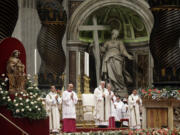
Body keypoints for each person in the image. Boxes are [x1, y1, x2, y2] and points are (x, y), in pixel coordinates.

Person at [101, 29, 133, 96]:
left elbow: (123, 50)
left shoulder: (119, 42)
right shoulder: (107, 42)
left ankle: (121, 87)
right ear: (112, 34)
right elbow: (103, 49)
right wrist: (96, 46)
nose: (116, 35)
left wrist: (128, 55)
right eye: (115, 34)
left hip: (117, 58)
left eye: (117, 34)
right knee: (110, 74)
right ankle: (112, 88)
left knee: (119, 73)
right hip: (109, 59)